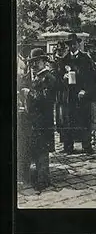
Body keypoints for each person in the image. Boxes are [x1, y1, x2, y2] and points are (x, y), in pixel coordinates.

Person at [18, 48, 56, 191]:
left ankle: (43, 179)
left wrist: (30, 94)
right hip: (29, 118)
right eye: (32, 62)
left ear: (44, 61)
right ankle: (26, 176)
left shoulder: (49, 78)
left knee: (42, 149)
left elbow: (47, 99)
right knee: (28, 145)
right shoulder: (28, 76)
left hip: (43, 119)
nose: (34, 65)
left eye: (37, 62)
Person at [57, 33, 96, 154]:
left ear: (78, 44)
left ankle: (86, 146)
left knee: (84, 120)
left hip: (81, 95)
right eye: (70, 45)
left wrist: (85, 90)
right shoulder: (64, 60)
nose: (72, 46)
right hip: (69, 96)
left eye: (74, 44)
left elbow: (91, 78)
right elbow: (58, 77)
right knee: (68, 120)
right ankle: (68, 146)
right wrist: (63, 76)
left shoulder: (85, 59)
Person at [85, 38, 96, 145]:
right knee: (90, 113)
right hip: (89, 89)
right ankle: (90, 135)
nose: (93, 49)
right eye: (91, 47)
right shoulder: (86, 58)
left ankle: (93, 133)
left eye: (94, 47)